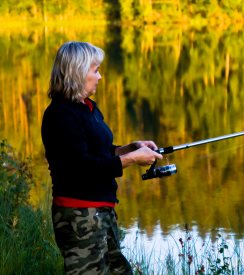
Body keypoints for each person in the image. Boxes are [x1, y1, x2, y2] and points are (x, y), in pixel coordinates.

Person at [41, 41, 163, 274]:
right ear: (77, 73)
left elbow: (100, 152)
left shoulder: (87, 108)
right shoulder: (61, 115)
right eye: (95, 70)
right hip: (80, 216)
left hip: (101, 211)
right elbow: (83, 167)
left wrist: (130, 148)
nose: (100, 76)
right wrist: (133, 160)